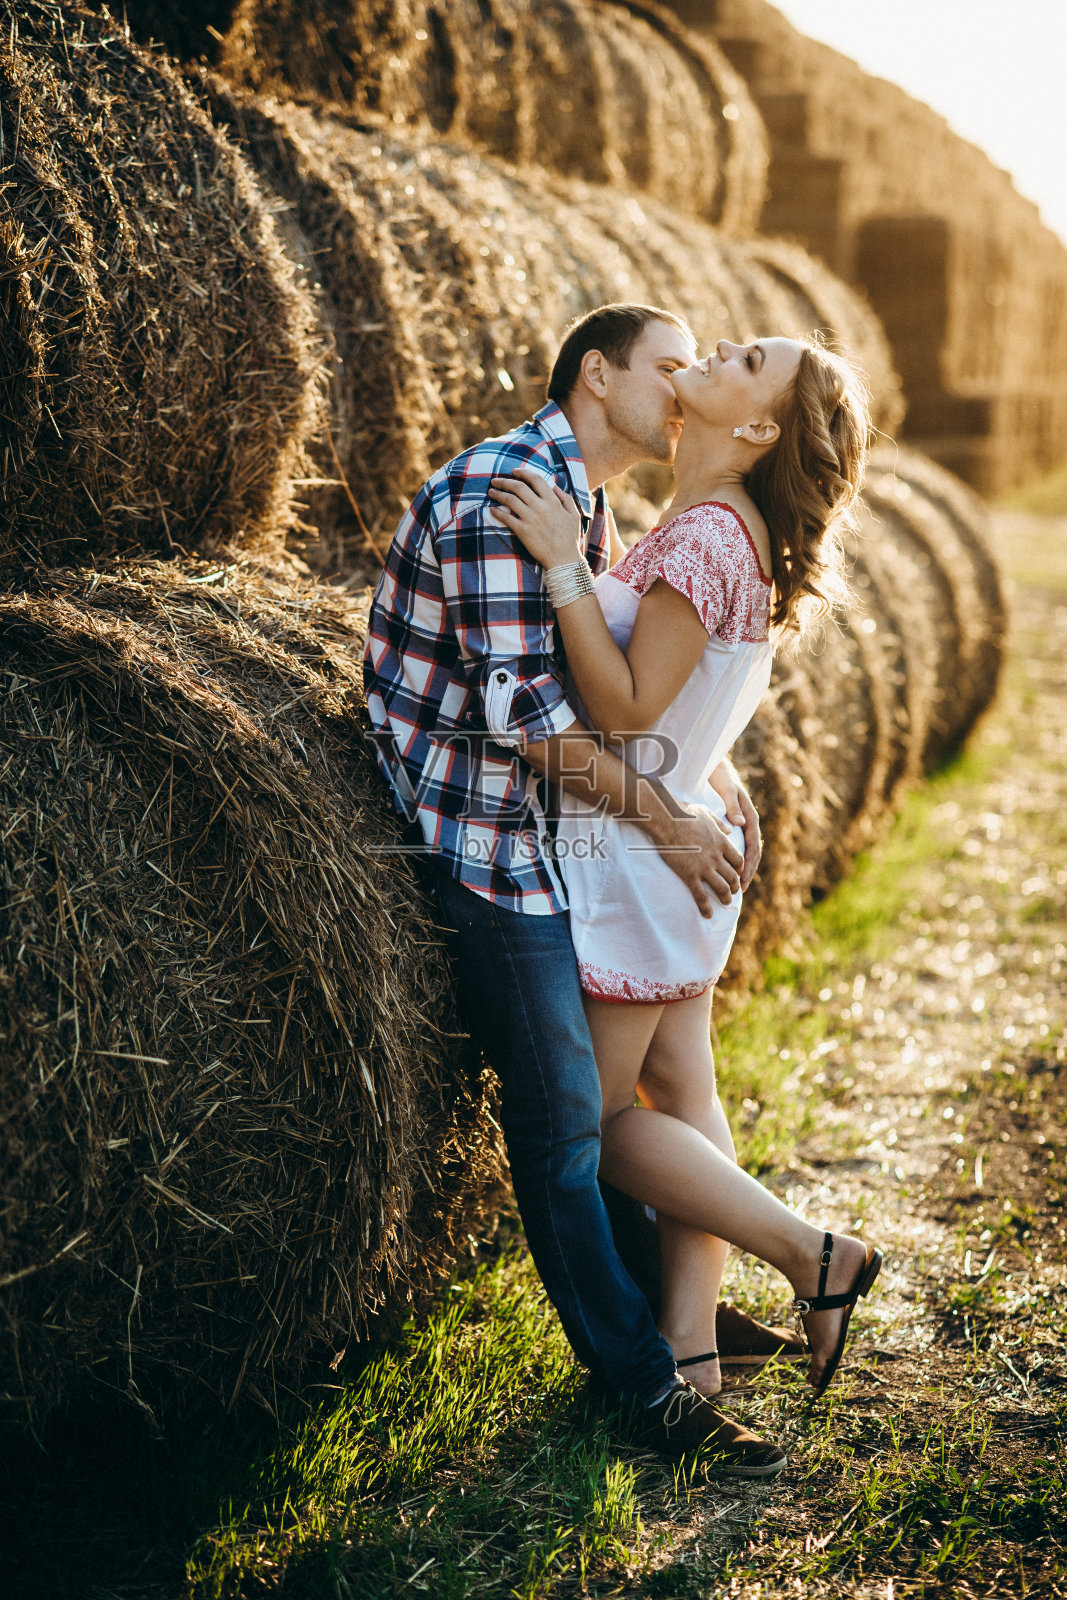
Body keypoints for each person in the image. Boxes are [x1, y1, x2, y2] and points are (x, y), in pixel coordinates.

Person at [364, 304, 788, 1476]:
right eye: (668, 363)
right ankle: (647, 1383)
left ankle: (677, 1307)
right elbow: (524, 719)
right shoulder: (507, 490)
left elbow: (617, 684)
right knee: (564, 1121)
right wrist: (668, 808)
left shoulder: (584, 506)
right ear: (596, 377)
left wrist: (707, 773)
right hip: (481, 831)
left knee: (639, 1093)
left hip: (554, 829)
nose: (687, 376)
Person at [488, 333, 882, 1405]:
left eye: (744, 358)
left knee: (602, 1121)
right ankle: (692, 1347)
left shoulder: (708, 535)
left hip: (639, 857)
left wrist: (567, 565)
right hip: (675, 843)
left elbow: (623, 707)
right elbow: (695, 696)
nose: (712, 350)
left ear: (756, 428)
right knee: (686, 1095)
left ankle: (811, 1253)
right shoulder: (725, 530)